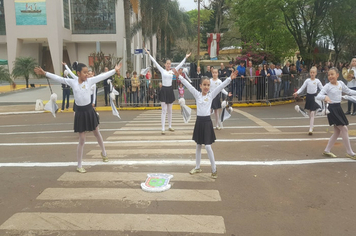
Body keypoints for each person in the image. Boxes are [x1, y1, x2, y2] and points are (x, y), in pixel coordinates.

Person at [34, 62, 122, 173]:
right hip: (80, 113)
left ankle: (104, 153)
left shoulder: (90, 81)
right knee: (82, 139)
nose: (87, 75)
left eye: (87, 72)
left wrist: (114, 70)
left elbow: (101, 76)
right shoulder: (72, 82)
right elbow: (58, 78)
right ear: (78, 73)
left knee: (97, 132)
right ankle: (79, 164)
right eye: (84, 73)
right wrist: (45, 73)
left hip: (89, 111)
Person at [173, 68, 238, 178]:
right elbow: (189, 85)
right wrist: (179, 77)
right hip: (199, 122)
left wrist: (229, 79)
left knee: (208, 146)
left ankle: (214, 170)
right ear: (200, 86)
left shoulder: (211, 95)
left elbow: (220, 87)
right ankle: (197, 167)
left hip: (207, 122)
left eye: (208, 85)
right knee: (198, 145)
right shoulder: (197, 95)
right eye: (204, 85)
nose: (207, 87)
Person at [145, 48, 191, 134]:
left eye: (170, 64)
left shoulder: (172, 71)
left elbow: (180, 64)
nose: (169, 65)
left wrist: (185, 57)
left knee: (170, 110)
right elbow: (155, 62)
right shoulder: (162, 70)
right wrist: (148, 54)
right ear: (165, 65)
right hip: (164, 90)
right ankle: (163, 128)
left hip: (170, 90)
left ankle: (169, 126)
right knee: (164, 110)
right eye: (167, 64)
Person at [316, 67, 356, 159]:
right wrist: (325, 97)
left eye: (332, 74)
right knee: (344, 129)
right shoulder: (327, 86)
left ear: (337, 75)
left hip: (338, 108)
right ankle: (350, 152)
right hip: (332, 109)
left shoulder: (341, 83)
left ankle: (327, 150)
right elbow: (319, 96)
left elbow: (349, 91)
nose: (330, 76)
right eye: (329, 75)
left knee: (337, 131)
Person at [293, 66, 323, 135]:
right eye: (311, 72)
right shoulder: (307, 81)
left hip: (314, 97)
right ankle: (312, 125)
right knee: (310, 113)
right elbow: (302, 88)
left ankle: (310, 128)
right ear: (310, 73)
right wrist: (297, 92)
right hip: (308, 97)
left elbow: (322, 88)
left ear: (316, 73)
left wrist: (327, 93)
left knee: (312, 113)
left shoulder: (317, 81)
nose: (312, 74)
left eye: (313, 73)